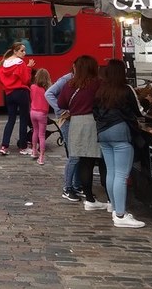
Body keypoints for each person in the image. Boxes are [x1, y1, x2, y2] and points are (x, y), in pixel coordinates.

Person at [95, 59, 146, 228]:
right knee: (122, 175)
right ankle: (121, 215)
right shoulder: (126, 89)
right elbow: (139, 111)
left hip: (102, 133)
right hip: (120, 131)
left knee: (111, 172)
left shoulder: (100, 90)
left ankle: (114, 207)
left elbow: (95, 111)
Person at [58, 55, 107, 211]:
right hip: (92, 122)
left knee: (84, 161)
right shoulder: (98, 84)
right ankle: (97, 198)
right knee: (94, 161)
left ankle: (89, 198)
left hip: (76, 123)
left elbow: (61, 103)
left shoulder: (69, 84)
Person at [45, 68, 81, 202]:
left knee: (79, 155)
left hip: (75, 120)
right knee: (74, 155)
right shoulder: (66, 79)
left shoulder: (79, 80)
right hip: (67, 120)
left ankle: (77, 185)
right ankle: (68, 187)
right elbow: (49, 93)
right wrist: (61, 109)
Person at [0, 42, 35, 155]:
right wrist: (29, 68)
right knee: (23, 120)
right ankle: (23, 147)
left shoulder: (3, 64)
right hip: (21, 92)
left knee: (11, 120)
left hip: (9, 93)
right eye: (22, 50)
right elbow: (26, 80)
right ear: (15, 51)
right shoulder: (21, 63)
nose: (24, 53)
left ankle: (4, 146)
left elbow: (1, 78)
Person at [30, 68, 52, 165]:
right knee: (42, 135)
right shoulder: (47, 89)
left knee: (35, 131)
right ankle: (41, 157)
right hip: (42, 113)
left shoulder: (33, 87)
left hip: (33, 112)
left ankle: (34, 151)